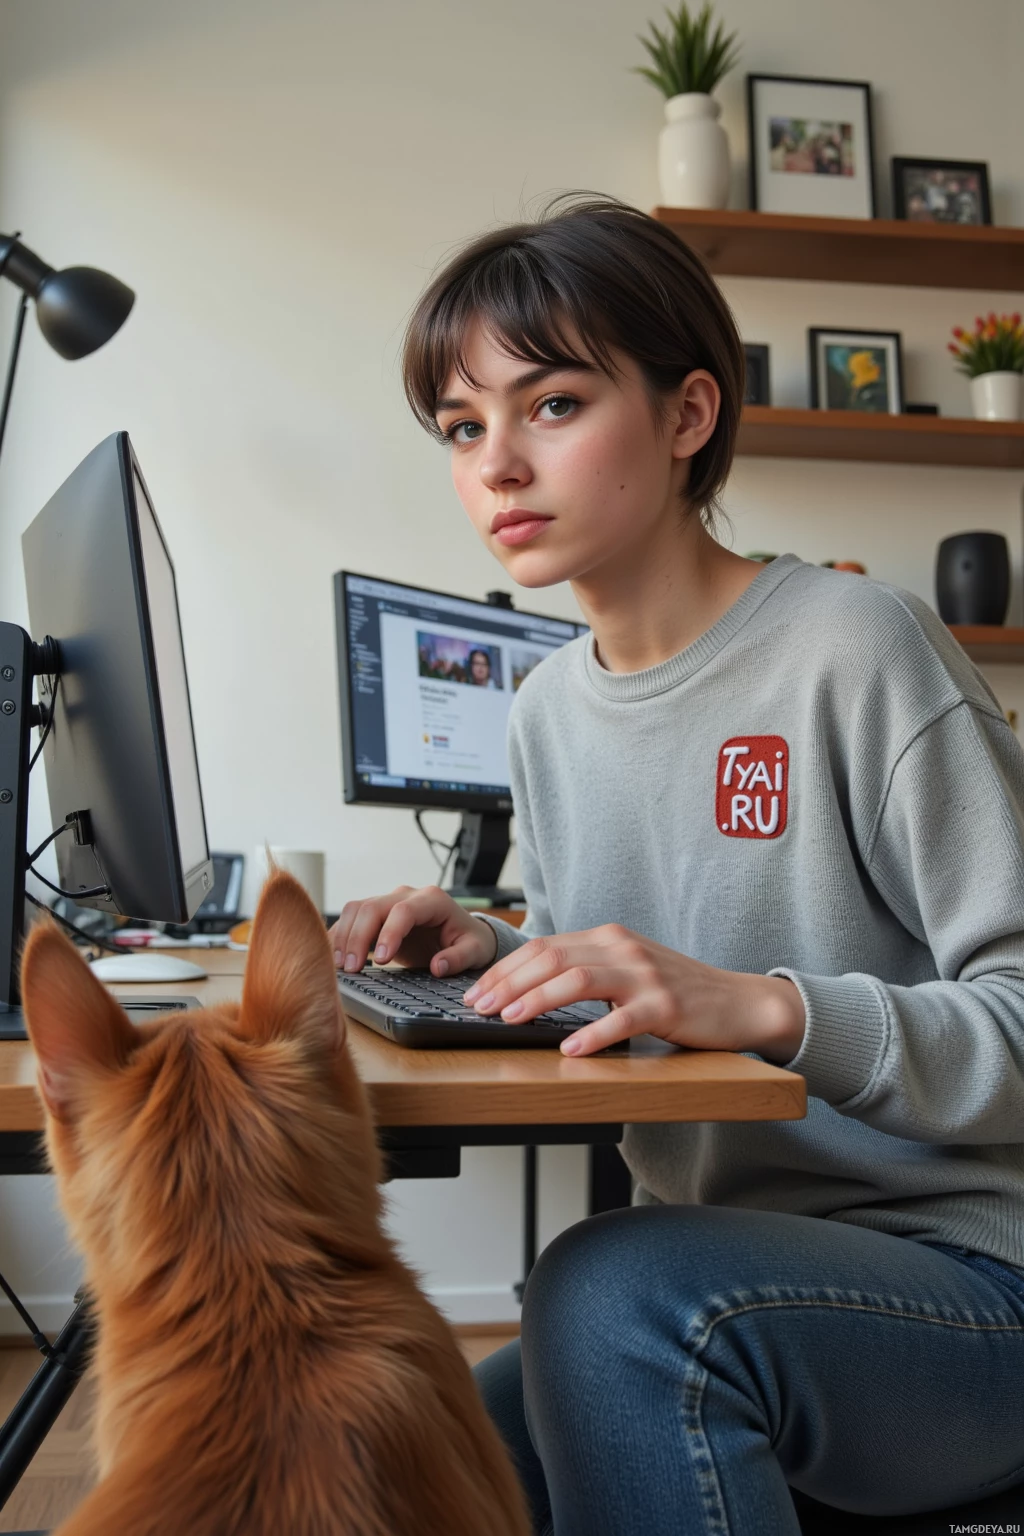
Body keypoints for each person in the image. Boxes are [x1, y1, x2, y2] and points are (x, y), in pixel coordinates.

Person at [328, 194, 1024, 1532]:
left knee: (606, 1292)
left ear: (689, 414)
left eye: (554, 406)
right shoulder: (543, 711)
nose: (498, 468)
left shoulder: (857, 646)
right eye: (464, 430)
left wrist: (771, 1005)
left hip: (971, 1288)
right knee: (417, 1453)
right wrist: (497, 947)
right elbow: (641, 959)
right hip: (738, 1275)